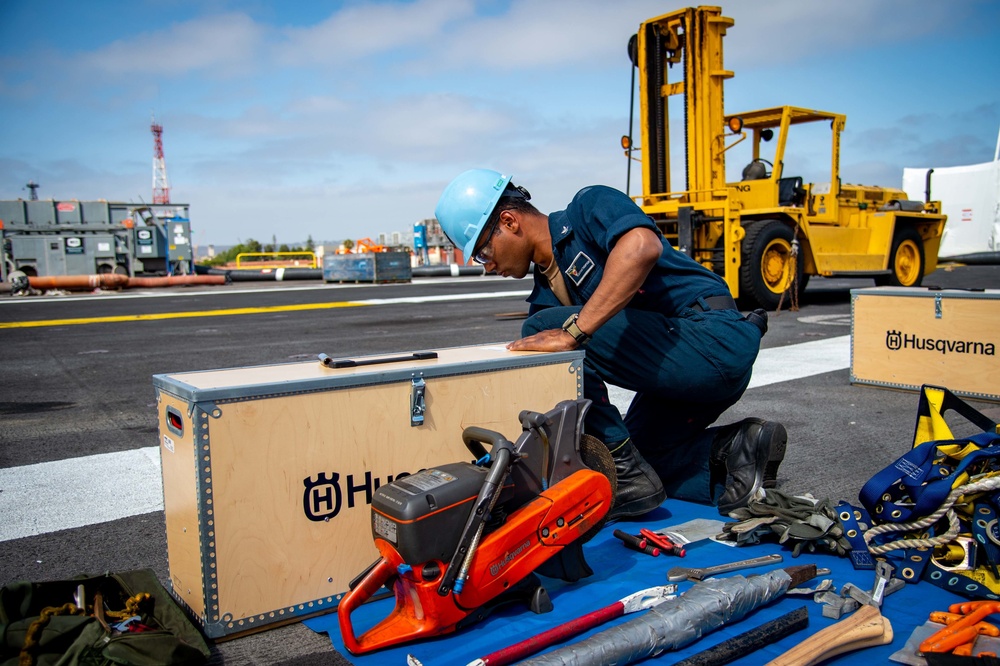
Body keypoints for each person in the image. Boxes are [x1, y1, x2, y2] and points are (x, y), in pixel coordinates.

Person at [435, 169, 787, 520]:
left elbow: (641, 246)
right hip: (674, 373)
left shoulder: (588, 207)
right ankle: (735, 452)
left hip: (711, 339)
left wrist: (573, 332)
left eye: (482, 252)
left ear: (509, 221)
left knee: (545, 329)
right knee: (644, 457)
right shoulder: (545, 297)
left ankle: (624, 475)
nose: (487, 266)